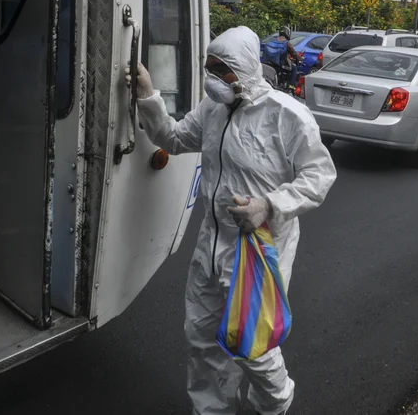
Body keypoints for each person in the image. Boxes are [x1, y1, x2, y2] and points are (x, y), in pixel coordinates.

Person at [127, 26, 337, 415]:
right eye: (207, 67)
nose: (211, 78)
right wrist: (147, 95)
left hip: (258, 246)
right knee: (203, 336)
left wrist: (269, 205)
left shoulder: (287, 115)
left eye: (220, 69)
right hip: (212, 241)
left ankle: (275, 402)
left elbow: (319, 177)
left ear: (244, 69)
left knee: (252, 344)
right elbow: (173, 139)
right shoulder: (212, 109)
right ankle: (212, 409)